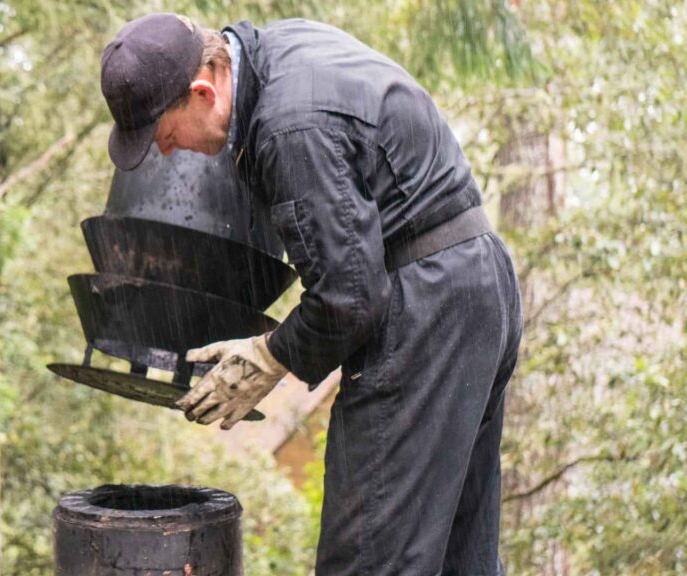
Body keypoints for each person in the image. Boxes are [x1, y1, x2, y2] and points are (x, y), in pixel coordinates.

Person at [99, 13, 523, 576]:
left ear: (203, 91)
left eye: (167, 136)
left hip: (427, 307)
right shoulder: (276, 54)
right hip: (473, 285)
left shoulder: (288, 127)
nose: (171, 153)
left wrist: (270, 356)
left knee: (369, 556)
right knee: (457, 557)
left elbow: (348, 296)